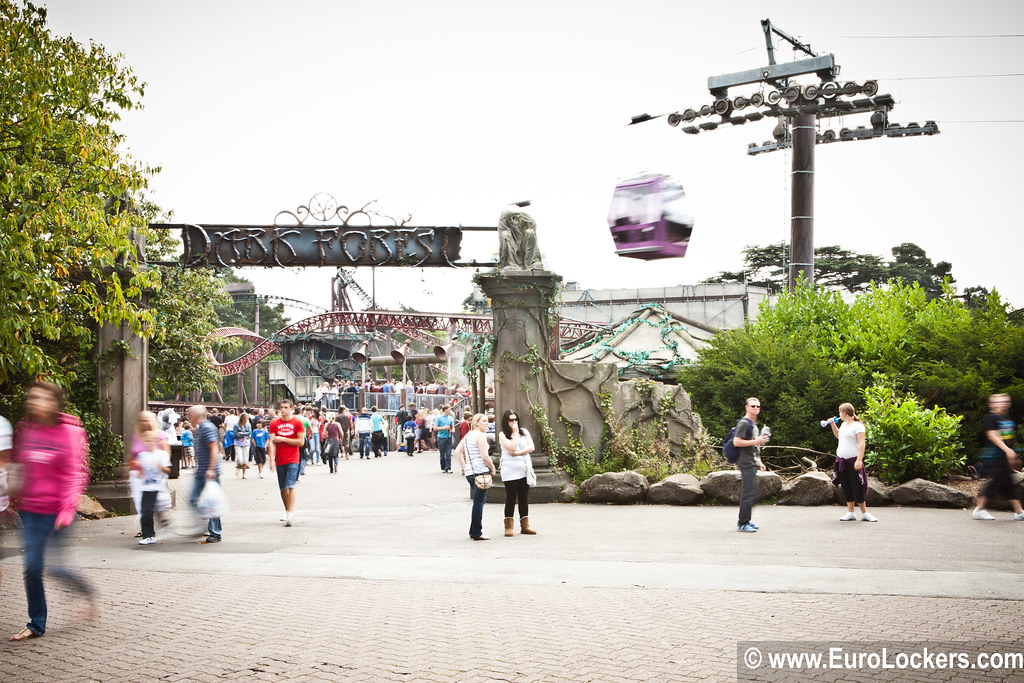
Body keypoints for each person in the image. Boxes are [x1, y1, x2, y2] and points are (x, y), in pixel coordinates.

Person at [9, 381, 98, 641]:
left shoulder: (69, 432)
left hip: (58, 513)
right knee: (32, 567)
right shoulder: (27, 429)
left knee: (56, 568)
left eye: (41, 398)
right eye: (32, 397)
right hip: (30, 511)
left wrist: (68, 509)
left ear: (54, 402)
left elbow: (75, 474)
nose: (35, 402)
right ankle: (36, 623)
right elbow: (20, 467)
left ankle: (87, 592)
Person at [973, 393, 1024, 521]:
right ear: (991, 404)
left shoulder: (1007, 420)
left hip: (1005, 457)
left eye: (1004, 401)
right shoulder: (992, 418)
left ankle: (1019, 512)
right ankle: (979, 509)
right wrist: (1007, 450)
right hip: (994, 457)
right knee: (996, 483)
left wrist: (1014, 454)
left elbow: (1010, 439)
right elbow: (992, 435)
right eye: (998, 401)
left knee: (1008, 484)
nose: (1001, 403)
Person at [829, 403, 878, 522]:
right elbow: (839, 436)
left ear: (844, 413)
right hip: (841, 460)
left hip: (853, 460)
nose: (839, 414)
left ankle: (864, 513)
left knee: (857, 486)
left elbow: (862, 443)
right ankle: (850, 512)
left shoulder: (858, 426)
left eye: (840, 412)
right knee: (846, 486)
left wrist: (859, 460)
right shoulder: (844, 424)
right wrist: (833, 424)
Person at [454, 414, 496, 541]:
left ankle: (474, 530)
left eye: (487, 421)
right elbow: (485, 456)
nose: (487, 423)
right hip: (481, 471)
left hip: (470, 472)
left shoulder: (468, 435)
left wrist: (464, 466)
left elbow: (457, 451)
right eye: (484, 421)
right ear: (477, 422)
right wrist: (492, 467)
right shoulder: (480, 436)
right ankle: (477, 531)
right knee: (479, 503)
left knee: (477, 502)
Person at [186, 405, 223, 543]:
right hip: (203, 471)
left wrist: (211, 469)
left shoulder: (206, 428)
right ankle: (205, 526)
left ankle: (215, 532)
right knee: (195, 499)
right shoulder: (201, 429)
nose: (188, 417)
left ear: (196, 416)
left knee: (211, 502)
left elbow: (214, 448)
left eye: (190, 414)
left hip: (209, 472)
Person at [497, 409, 537, 536]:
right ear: (506, 421)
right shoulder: (502, 434)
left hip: (523, 467)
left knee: (523, 497)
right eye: (511, 420)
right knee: (511, 497)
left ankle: (525, 525)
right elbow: (512, 447)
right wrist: (514, 432)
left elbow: (531, 447)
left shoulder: (524, 432)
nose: (514, 422)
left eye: (515, 419)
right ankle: (508, 526)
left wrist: (519, 453)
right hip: (510, 469)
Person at [732, 397, 768, 533]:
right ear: (747, 407)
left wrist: (759, 461)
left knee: (751, 492)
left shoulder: (753, 424)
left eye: (758, 406)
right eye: (753, 406)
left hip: (752, 461)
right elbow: (736, 442)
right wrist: (756, 441)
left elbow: (754, 446)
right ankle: (742, 523)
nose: (756, 409)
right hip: (745, 462)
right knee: (748, 493)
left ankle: (747, 520)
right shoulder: (744, 423)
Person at [268, 399, 305, 527]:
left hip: (293, 458)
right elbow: (272, 442)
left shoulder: (297, 422)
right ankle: (286, 509)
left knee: (290, 485)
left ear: (291, 409)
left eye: (285, 407)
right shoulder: (274, 423)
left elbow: (301, 442)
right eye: (281, 407)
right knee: (283, 488)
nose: (283, 410)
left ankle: (290, 512)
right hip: (279, 459)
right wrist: (271, 459)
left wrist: (283, 439)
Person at [135, 430, 172, 545]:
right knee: (146, 511)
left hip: (157, 486)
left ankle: (162, 523)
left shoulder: (161, 454)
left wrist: (160, 467)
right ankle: (149, 535)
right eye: (146, 441)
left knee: (154, 509)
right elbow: (139, 469)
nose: (148, 443)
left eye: (151, 440)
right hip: (146, 487)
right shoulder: (141, 455)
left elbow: (168, 470)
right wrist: (139, 474)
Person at [434, 404, 455, 473]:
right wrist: (443, 428)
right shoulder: (439, 418)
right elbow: (435, 428)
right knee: (442, 454)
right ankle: (443, 467)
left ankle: (448, 468)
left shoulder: (450, 418)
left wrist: (453, 429)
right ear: (445, 410)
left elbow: (452, 426)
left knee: (448, 453)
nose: (450, 410)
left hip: (448, 437)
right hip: (441, 437)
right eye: (449, 409)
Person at [234, 413, 252, 479]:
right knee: (239, 458)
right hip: (238, 442)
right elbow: (235, 434)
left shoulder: (248, 425)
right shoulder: (236, 425)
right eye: (246, 418)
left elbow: (249, 432)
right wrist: (244, 435)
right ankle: (238, 466)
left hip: (246, 443)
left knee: (245, 459)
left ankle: (244, 474)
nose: (247, 420)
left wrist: (241, 433)